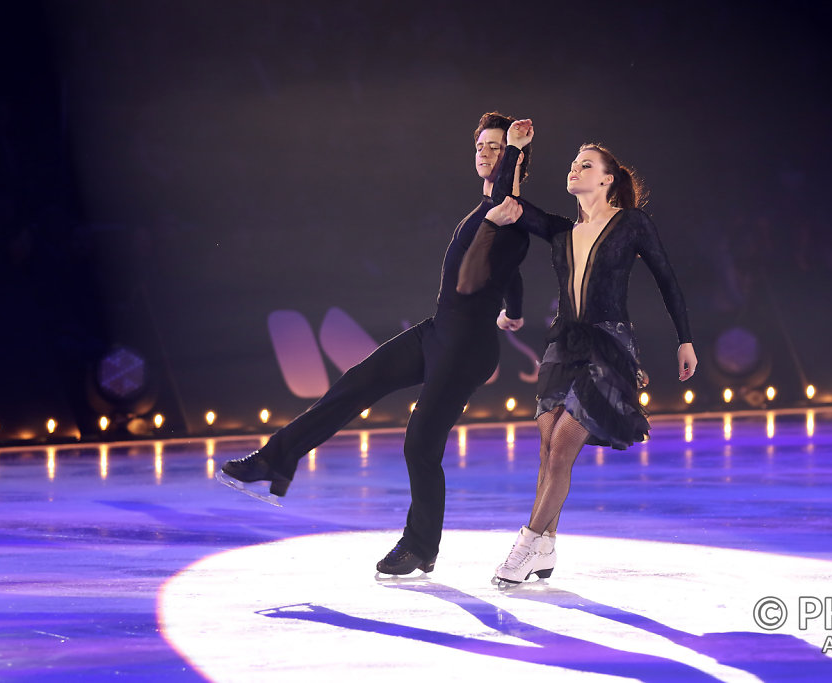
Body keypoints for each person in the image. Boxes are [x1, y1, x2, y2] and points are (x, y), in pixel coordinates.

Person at [218, 113, 534, 576]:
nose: (485, 153)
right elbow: (513, 271)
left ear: (516, 161)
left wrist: (518, 148)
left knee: (420, 443)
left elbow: (508, 221)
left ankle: (422, 545)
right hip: (439, 330)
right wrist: (517, 310)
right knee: (355, 382)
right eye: (481, 146)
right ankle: (276, 459)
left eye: (496, 147)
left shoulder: (510, 210)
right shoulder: (489, 210)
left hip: (467, 347)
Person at [460, 121, 697, 584]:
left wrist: (684, 338)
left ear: (607, 179)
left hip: (608, 344)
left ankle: (526, 543)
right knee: (549, 446)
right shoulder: (560, 229)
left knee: (565, 442)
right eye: (572, 164)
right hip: (562, 344)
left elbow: (667, 278)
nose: (575, 169)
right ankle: (546, 549)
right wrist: (514, 150)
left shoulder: (631, 224)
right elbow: (501, 204)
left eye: (585, 164)